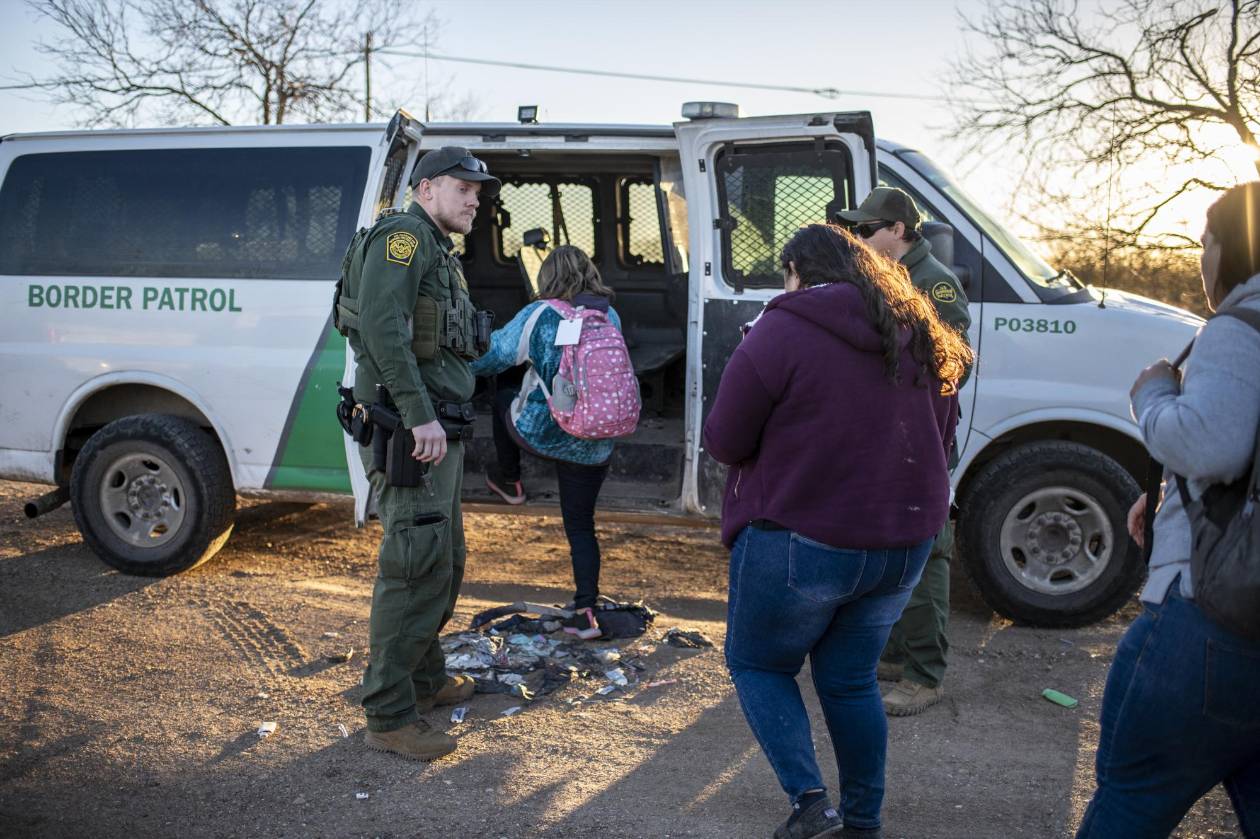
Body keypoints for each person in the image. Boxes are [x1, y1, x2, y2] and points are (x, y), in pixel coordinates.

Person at [704, 224, 971, 839]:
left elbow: (725, 439)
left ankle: (810, 804)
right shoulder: (920, 330)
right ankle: (862, 823)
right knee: (849, 680)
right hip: (903, 545)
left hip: (802, 536)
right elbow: (942, 428)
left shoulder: (782, 328)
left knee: (758, 665)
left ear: (798, 270)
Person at [1076, 182, 1260, 838]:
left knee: (1132, 799)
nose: (1201, 262)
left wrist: (1154, 395)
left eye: (1205, 245)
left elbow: (1212, 442)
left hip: (1212, 622)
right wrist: (1169, 493)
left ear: (1229, 249)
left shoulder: (1240, 326)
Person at [337, 146, 500, 761]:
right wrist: (419, 415)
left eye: (479, 193)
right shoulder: (403, 239)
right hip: (413, 430)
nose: (474, 201)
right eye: (463, 188)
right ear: (425, 188)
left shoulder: (434, 247)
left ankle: (425, 680)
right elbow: (383, 330)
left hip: (433, 428)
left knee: (442, 556)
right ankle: (389, 712)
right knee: (415, 563)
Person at [837, 186, 972, 716]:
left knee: (927, 553)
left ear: (898, 229)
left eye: (867, 230)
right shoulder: (885, 276)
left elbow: (951, 363)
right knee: (889, 548)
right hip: (890, 434)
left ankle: (924, 673)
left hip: (919, 437)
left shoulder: (932, 282)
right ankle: (895, 653)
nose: (860, 238)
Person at [471, 245, 624, 639]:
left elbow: (493, 358)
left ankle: (510, 481)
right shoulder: (609, 315)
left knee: (502, 395)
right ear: (590, 273)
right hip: (595, 439)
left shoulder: (539, 314)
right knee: (580, 526)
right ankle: (587, 610)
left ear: (546, 278)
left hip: (546, 432)